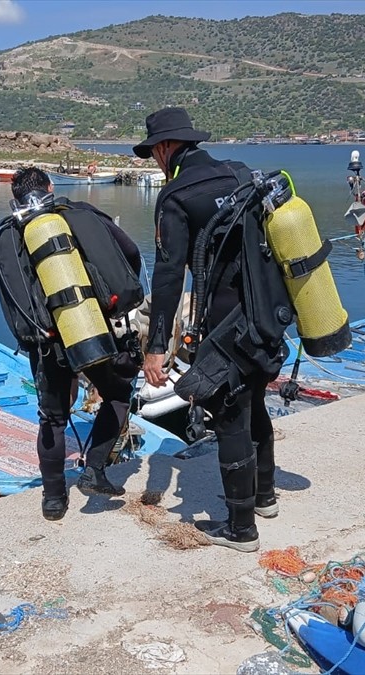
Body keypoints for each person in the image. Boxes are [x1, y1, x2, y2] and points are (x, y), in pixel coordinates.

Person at [134, 107, 281, 553]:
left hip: (223, 324)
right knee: (255, 399)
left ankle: (240, 530)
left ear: (163, 149)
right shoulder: (239, 175)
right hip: (266, 313)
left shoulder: (178, 196)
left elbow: (168, 276)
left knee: (231, 413)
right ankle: (265, 497)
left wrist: (157, 346)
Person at [7, 167, 143, 521]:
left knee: (52, 418)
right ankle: (94, 470)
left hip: (47, 339)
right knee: (117, 394)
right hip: (87, 327)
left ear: (16, 198)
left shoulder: (10, 233)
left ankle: (53, 501)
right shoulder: (76, 214)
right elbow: (128, 251)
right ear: (51, 188)